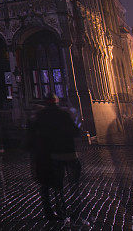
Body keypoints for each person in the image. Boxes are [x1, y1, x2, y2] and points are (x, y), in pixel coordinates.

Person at [28, 92, 81, 221]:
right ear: (57, 102)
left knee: (49, 184)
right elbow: (76, 131)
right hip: (68, 154)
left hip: (49, 154)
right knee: (72, 183)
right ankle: (74, 207)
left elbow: (32, 135)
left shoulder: (41, 116)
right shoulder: (64, 114)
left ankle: (53, 210)